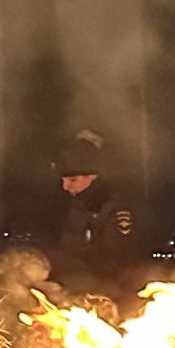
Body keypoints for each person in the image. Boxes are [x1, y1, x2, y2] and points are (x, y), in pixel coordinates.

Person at [45, 132, 145, 309]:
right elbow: (69, 249)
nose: (65, 187)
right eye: (63, 180)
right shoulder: (78, 209)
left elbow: (120, 265)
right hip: (83, 299)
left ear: (94, 177)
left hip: (117, 303)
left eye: (72, 180)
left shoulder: (118, 210)